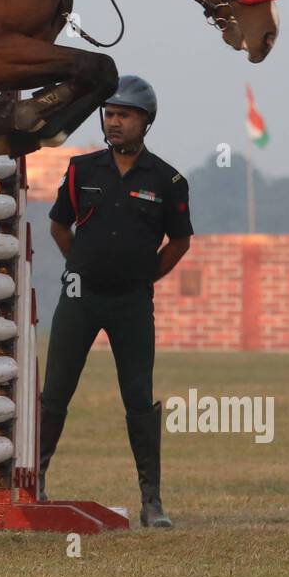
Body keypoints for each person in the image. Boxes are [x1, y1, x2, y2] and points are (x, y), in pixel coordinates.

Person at [41, 76, 194, 527]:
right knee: (55, 393)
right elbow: (58, 227)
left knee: (139, 400)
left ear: (146, 122)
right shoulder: (80, 170)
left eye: (124, 115)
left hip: (132, 302)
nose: (114, 122)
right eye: (109, 114)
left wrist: (144, 276)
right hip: (79, 297)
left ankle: (152, 503)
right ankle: (36, 482)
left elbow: (180, 242)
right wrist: (84, 267)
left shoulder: (168, 180)